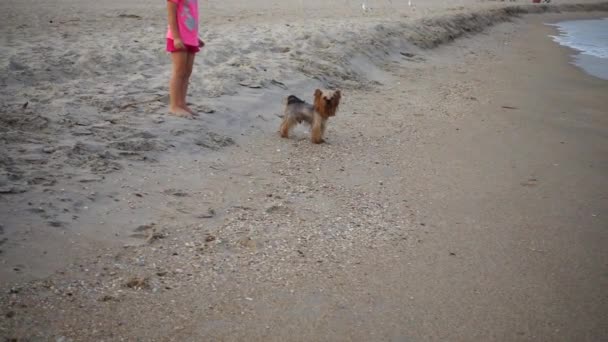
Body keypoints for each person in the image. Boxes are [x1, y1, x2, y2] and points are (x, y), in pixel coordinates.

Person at [166, 0, 205, 118]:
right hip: (178, 37)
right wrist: (176, 38)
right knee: (179, 72)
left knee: (187, 72)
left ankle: (181, 103)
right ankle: (174, 105)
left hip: (190, 38)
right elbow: (171, 15)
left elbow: (190, 16)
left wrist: (196, 37)